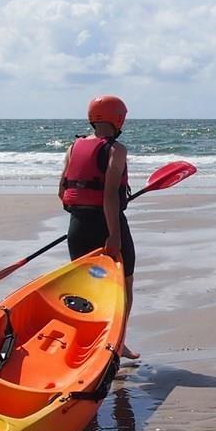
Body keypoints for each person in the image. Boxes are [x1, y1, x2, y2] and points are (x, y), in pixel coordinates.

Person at [59, 95, 138, 360]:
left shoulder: (74, 146)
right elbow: (110, 196)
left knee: (88, 290)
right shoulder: (117, 150)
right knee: (122, 287)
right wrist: (113, 235)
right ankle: (117, 343)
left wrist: (81, 217)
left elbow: (62, 191)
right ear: (119, 118)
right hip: (107, 226)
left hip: (77, 228)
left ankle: (86, 347)